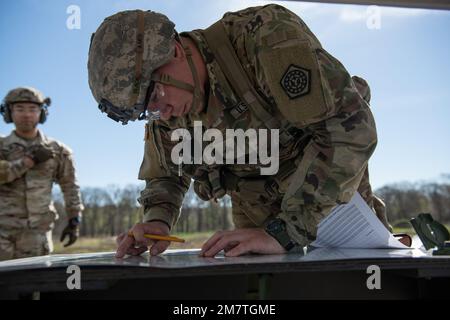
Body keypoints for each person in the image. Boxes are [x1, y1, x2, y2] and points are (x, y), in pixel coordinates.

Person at [87, 4, 391, 258]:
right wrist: (157, 220)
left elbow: (350, 129)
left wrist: (286, 231)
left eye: (155, 98)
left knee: (353, 282)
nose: (160, 113)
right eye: (147, 111)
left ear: (175, 51)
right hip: (255, 225)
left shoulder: (263, 38)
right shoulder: (169, 107)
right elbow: (166, 172)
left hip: (334, 209)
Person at [0, 87, 84, 260]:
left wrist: (74, 220)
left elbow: (70, 187)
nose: (26, 115)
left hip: (37, 236)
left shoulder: (58, 150)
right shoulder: (2, 146)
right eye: (20, 109)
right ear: (9, 112)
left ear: (42, 113)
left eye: (33, 109)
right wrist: (29, 161)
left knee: (34, 284)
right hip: (2, 233)